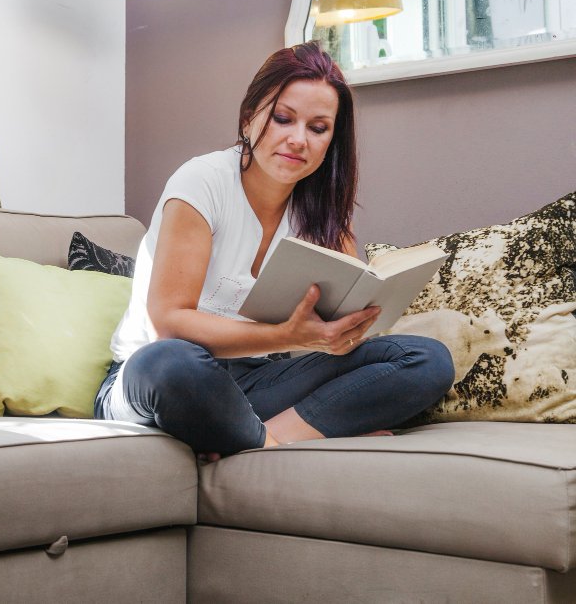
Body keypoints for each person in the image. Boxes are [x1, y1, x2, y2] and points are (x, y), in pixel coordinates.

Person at [94, 42, 454, 461]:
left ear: (331, 140)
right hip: (156, 381)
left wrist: (346, 329)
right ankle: (270, 440)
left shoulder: (323, 214)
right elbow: (170, 325)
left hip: (253, 383)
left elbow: (338, 327)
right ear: (249, 118)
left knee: (426, 359)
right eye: (283, 118)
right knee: (173, 362)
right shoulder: (201, 183)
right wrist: (286, 335)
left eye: (318, 128)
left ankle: (255, 437)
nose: (297, 139)